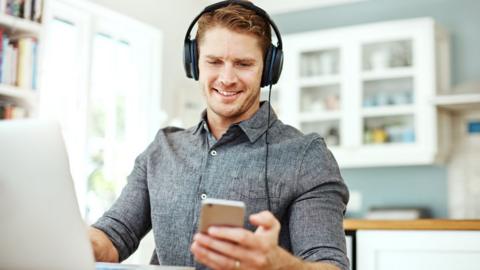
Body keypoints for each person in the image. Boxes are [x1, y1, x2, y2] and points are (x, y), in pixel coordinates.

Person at [89, 1, 350, 270]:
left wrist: (279, 265)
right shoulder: (162, 149)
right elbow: (114, 236)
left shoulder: (306, 156)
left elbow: (330, 265)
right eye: (214, 62)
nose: (227, 78)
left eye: (243, 64)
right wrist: (78, 242)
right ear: (194, 64)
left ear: (268, 70)